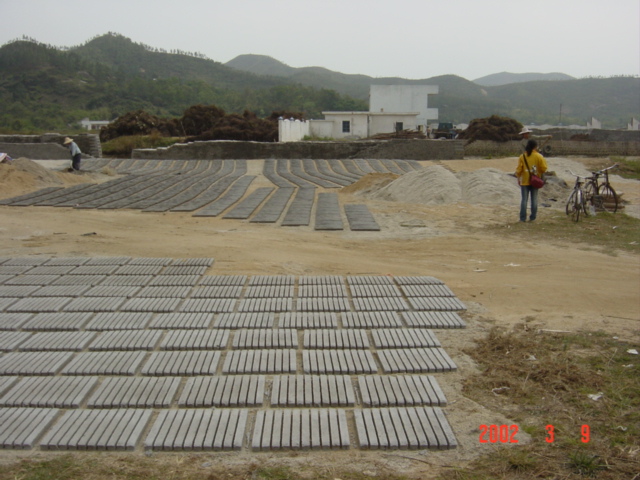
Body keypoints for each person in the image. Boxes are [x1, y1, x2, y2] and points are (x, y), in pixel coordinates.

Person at [515, 139, 548, 222]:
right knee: (534, 199)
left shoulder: (522, 156)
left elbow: (519, 170)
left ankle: (522, 218)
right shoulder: (539, 156)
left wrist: (518, 178)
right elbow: (544, 168)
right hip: (535, 180)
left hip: (524, 180)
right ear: (535, 147)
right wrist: (538, 172)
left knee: (524, 200)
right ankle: (532, 217)